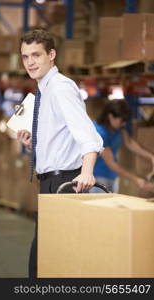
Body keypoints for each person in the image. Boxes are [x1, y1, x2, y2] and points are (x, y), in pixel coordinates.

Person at [16, 29, 104, 278]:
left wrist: (87, 172)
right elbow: (60, 139)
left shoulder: (61, 88)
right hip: (50, 182)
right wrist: (32, 144)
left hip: (64, 182)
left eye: (36, 55)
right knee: (45, 258)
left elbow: (90, 136)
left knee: (52, 261)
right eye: (25, 57)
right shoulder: (44, 91)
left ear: (51, 55)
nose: (30, 62)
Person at [89, 99, 154, 193]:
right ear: (110, 116)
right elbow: (111, 163)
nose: (124, 124)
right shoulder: (99, 132)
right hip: (98, 178)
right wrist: (136, 179)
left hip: (112, 176)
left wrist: (151, 156)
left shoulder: (118, 127)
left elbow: (130, 143)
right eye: (122, 120)